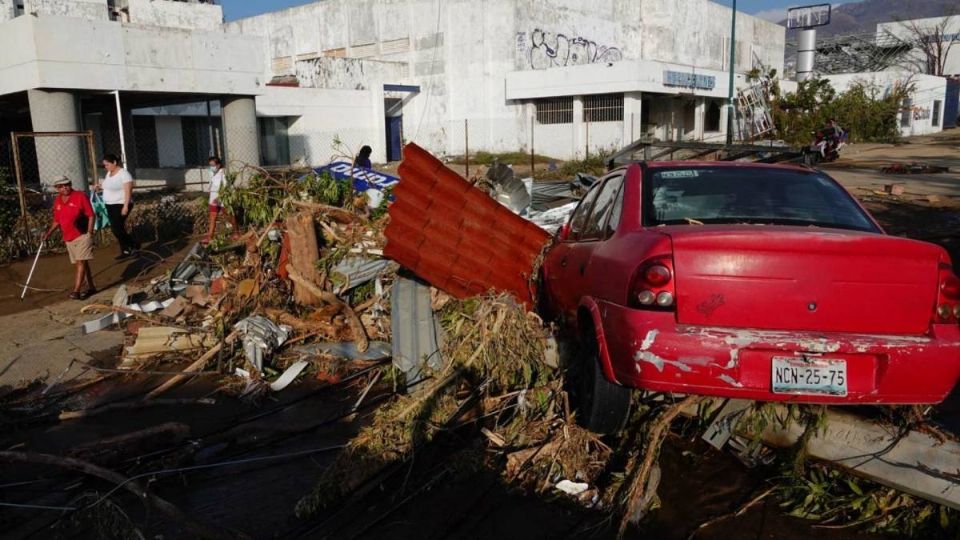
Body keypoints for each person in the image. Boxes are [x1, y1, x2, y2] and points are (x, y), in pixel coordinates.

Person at [43, 176, 96, 300]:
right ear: (57, 188)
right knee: (82, 262)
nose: (65, 187)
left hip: (82, 234)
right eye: (61, 186)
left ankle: (76, 291)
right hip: (68, 237)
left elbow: (91, 215)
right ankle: (91, 287)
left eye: (67, 184)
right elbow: (57, 220)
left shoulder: (80, 196)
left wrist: (89, 233)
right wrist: (49, 233)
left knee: (80, 262)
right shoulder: (58, 201)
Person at [96, 154, 139, 259]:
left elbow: (128, 191)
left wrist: (125, 206)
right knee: (117, 227)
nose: (106, 167)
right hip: (109, 204)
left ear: (114, 162)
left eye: (107, 164)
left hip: (121, 204)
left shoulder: (124, 174)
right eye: (104, 165)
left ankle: (133, 244)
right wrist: (100, 186)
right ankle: (126, 250)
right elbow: (109, 186)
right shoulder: (109, 174)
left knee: (116, 228)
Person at [202, 156, 238, 245]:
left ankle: (236, 232)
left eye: (213, 165)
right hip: (213, 198)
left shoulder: (223, 174)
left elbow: (226, 188)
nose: (211, 167)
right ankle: (210, 237)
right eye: (210, 165)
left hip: (222, 199)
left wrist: (219, 198)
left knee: (229, 216)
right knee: (212, 218)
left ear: (218, 165)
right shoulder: (211, 172)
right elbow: (211, 184)